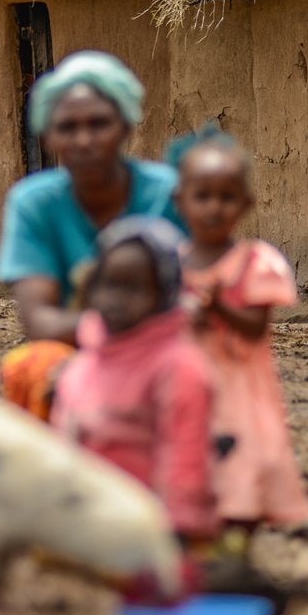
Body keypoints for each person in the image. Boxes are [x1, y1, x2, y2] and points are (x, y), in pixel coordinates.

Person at [0, 50, 187, 420]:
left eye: (99, 124)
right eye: (67, 127)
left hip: (163, 352)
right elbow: (38, 321)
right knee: (30, 365)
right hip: (76, 355)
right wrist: (107, 341)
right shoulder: (33, 203)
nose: (83, 140)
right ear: (48, 136)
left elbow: (196, 300)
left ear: (126, 125)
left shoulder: (169, 194)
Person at [175, 137, 308, 540]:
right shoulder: (169, 262)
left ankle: (238, 543)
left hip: (238, 386)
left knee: (246, 460)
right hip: (184, 384)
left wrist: (217, 307)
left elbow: (255, 326)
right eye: (202, 197)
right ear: (180, 201)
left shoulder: (256, 262)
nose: (214, 208)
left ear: (246, 205)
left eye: (226, 198)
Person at [50, 218, 218, 546]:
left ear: (164, 292)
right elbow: (65, 438)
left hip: (152, 524)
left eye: (134, 288)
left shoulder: (177, 366)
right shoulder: (84, 361)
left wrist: (177, 528)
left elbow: (185, 452)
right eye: (109, 284)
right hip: (87, 517)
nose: (116, 299)